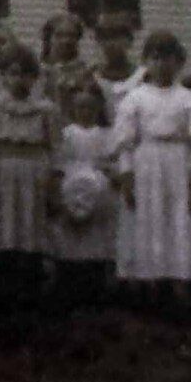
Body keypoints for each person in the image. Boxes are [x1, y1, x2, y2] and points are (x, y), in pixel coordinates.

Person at [114, 29, 191, 315]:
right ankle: (149, 288)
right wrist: (127, 178)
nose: (162, 64)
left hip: (179, 167)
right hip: (146, 167)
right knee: (148, 222)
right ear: (146, 61)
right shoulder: (134, 98)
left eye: (168, 58)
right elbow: (125, 144)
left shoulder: (190, 100)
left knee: (181, 223)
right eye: (155, 58)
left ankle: (185, 289)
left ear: (179, 61)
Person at [0, 46, 61, 308]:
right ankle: (1, 293)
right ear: (3, 76)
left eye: (26, 74)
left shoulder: (46, 110)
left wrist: (53, 182)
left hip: (34, 172)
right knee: (3, 227)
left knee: (30, 227)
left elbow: (55, 148)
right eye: (13, 73)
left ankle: (30, 292)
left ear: (34, 78)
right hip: (2, 172)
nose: (19, 80)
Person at [53, 82, 118, 310]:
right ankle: (69, 290)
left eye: (90, 107)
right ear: (72, 109)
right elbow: (58, 163)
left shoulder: (107, 135)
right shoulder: (66, 134)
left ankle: (96, 291)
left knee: (97, 240)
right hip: (70, 186)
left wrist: (107, 174)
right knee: (69, 240)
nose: (85, 112)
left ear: (98, 108)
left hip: (100, 190)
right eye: (80, 107)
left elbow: (113, 163)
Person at [91, 10, 144, 121]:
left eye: (117, 37)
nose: (112, 44)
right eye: (106, 38)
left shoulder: (143, 77)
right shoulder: (92, 77)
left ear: (129, 41)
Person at [42, 13, 92, 117]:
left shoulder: (86, 73)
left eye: (71, 35)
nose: (66, 40)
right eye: (59, 35)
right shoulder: (38, 71)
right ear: (49, 38)